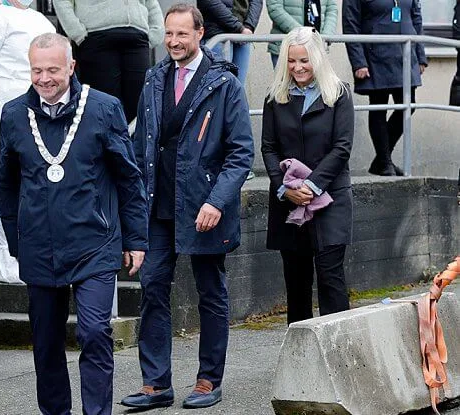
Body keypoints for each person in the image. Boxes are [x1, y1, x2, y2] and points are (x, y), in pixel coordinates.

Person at [0, 33, 149, 415]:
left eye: (52, 70)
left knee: (95, 332)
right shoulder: (14, 114)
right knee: (45, 342)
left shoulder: (103, 108)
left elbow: (128, 178)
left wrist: (136, 238)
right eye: (36, 70)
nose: (44, 79)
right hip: (39, 246)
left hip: (93, 242)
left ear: (71, 67)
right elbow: (7, 181)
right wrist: (17, 241)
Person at [121, 3, 254, 410]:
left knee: (210, 292)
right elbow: (140, 141)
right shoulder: (153, 79)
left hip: (203, 208)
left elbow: (240, 153)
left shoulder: (225, 84)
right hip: (157, 205)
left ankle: (208, 380)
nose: (174, 42)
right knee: (152, 288)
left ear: (199, 34)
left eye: (182, 34)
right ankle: (156, 384)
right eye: (169, 34)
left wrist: (216, 201)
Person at [261, 27, 354, 325]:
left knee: (331, 279)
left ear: (317, 59)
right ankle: (300, 361)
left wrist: (312, 186)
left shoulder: (338, 93)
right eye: (291, 61)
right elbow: (269, 148)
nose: (298, 68)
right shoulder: (275, 97)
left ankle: (341, 356)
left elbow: (342, 147)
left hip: (330, 200)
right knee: (296, 286)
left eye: (304, 61)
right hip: (289, 203)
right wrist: (285, 189)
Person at [0, 0, 55, 284]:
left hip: (41, 110)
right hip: (1, 113)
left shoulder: (42, 21)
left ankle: (40, 256)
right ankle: (10, 263)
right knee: (2, 185)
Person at [343, 0, 427, 176]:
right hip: (375, 55)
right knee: (379, 106)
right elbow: (350, 23)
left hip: (404, 55)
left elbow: (416, 20)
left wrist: (420, 55)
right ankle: (384, 162)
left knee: (408, 105)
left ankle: (381, 160)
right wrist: (358, 62)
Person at [52, 0, 164, 123]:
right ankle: (108, 142)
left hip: (137, 40)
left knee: (140, 104)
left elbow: (151, 3)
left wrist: (156, 32)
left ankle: (134, 142)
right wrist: (78, 33)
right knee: (103, 105)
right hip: (97, 38)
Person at [197, 0, 263, 85]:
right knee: (217, 87)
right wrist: (240, 28)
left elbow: (256, 2)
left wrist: (249, 26)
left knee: (238, 88)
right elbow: (210, 3)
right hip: (217, 35)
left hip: (242, 36)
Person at [267, 0, 338, 68]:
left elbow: (331, 9)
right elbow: (275, 8)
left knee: (318, 80)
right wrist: (304, 34)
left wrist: (326, 36)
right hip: (287, 48)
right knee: (286, 80)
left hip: (317, 47)